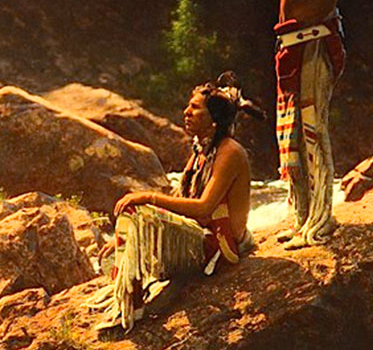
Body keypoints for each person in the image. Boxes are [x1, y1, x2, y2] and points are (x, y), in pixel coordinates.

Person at [90, 73, 265, 332]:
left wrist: (148, 197)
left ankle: (131, 307)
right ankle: (131, 293)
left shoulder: (230, 152)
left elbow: (204, 207)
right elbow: (183, 200)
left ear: (213, 120)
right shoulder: (202, 150)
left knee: (135, 210)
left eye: (194, 107)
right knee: (118, 250)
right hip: (202, 234)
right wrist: (125, 241)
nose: (186, 112)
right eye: (188, 106)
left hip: (220, 246)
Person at [237, 0, 347, 247]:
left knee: (312, 131)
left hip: (314, 45)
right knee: (291, 137)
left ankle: (320, 221)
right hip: (289, 48)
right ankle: (300, 216)